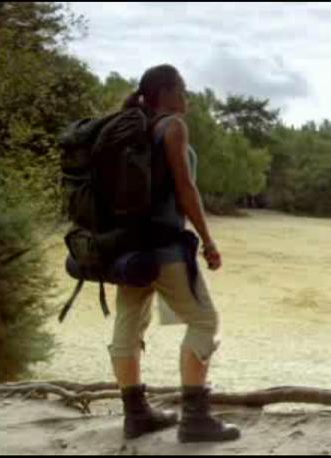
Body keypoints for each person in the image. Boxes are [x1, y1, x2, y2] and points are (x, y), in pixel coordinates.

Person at [112, 64, 240, 442]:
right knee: (204, 322)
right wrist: (208, 241)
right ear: (164, 92)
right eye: (182, 88)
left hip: (127, 250)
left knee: (128, 324)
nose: (186, 95)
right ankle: (195, 419)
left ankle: (136, 415)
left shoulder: (128, 128)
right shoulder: (172, 127)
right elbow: (185, 189)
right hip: (164, 247)